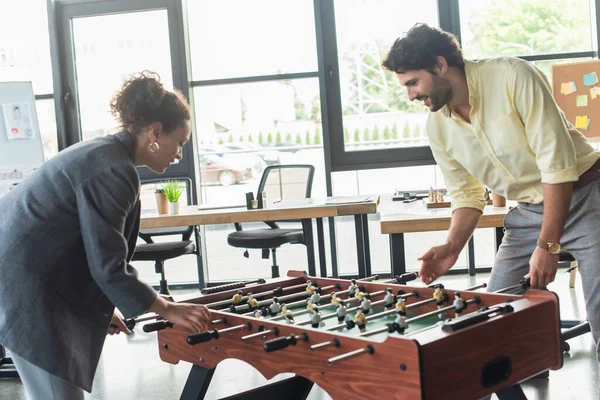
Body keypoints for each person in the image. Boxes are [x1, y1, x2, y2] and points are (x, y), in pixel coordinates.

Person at [382, 23, 600, 361]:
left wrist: (548, 245)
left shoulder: (513, 76)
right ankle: (528, 368)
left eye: (413, 82)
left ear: (441, 65)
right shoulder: (437, 126)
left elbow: (557, 167)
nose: (411, 95)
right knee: (493, 316)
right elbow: (467, 195)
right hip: (529, 211)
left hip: (588, 196)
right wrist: (452, 246)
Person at [0, 71, 211, 399]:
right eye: (180, 142)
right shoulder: (114, 170)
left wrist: (102, 306)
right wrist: (166, 308)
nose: (180, 154)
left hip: (25, 279)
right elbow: (108, 264)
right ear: (155, 132)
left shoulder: (109, 156)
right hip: (24, 288)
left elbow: (87, 246)